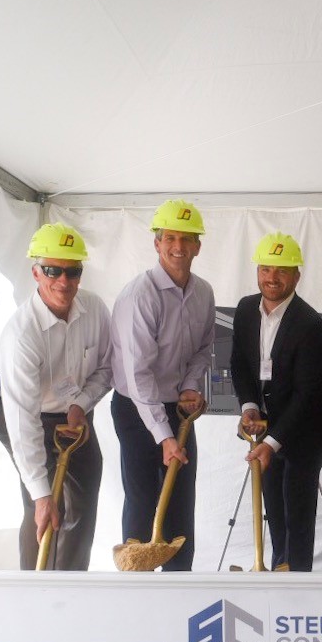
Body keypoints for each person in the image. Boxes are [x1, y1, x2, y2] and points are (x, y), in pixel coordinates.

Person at [0, 223, 112, 570]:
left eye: (72, 271)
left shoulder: (94, 309)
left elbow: (106, 369)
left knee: (85, 495)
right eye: (52, 270)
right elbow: (21, 420)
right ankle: (33, 585)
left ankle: (71, 582)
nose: (63, 280)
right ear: (36, 272)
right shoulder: (20, 335)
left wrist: (80, 404)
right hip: (24, 414)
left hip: (74, 413)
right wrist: (41, 494)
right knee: (42, 505)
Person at [109, 199, 215, 572]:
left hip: (177, 406)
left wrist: (188, 387)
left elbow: (203, 348)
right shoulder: (141, 295)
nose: (178, 247)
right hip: (136, 407)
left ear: (198, 246)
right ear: (157, 244)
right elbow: (138, 374)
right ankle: (136, 585)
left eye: (187, 239)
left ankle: (179, 586)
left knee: (181, 502)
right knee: (141, 498)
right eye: (170, 238)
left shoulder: (203, 293)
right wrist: (164, 435)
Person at [231, 231, 322, 571]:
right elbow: (239, 363)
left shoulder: (310, 323)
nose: (272, 278)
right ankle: (278, 571)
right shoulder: (247, 309)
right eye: (266, 269)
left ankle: (299, 581)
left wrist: (272, 442)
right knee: (274, 507)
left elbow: (307, 393)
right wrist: (249, 406)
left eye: (281, 270)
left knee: (297, 510)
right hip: (267, 423)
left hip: (306, 429)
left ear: (296, 276)